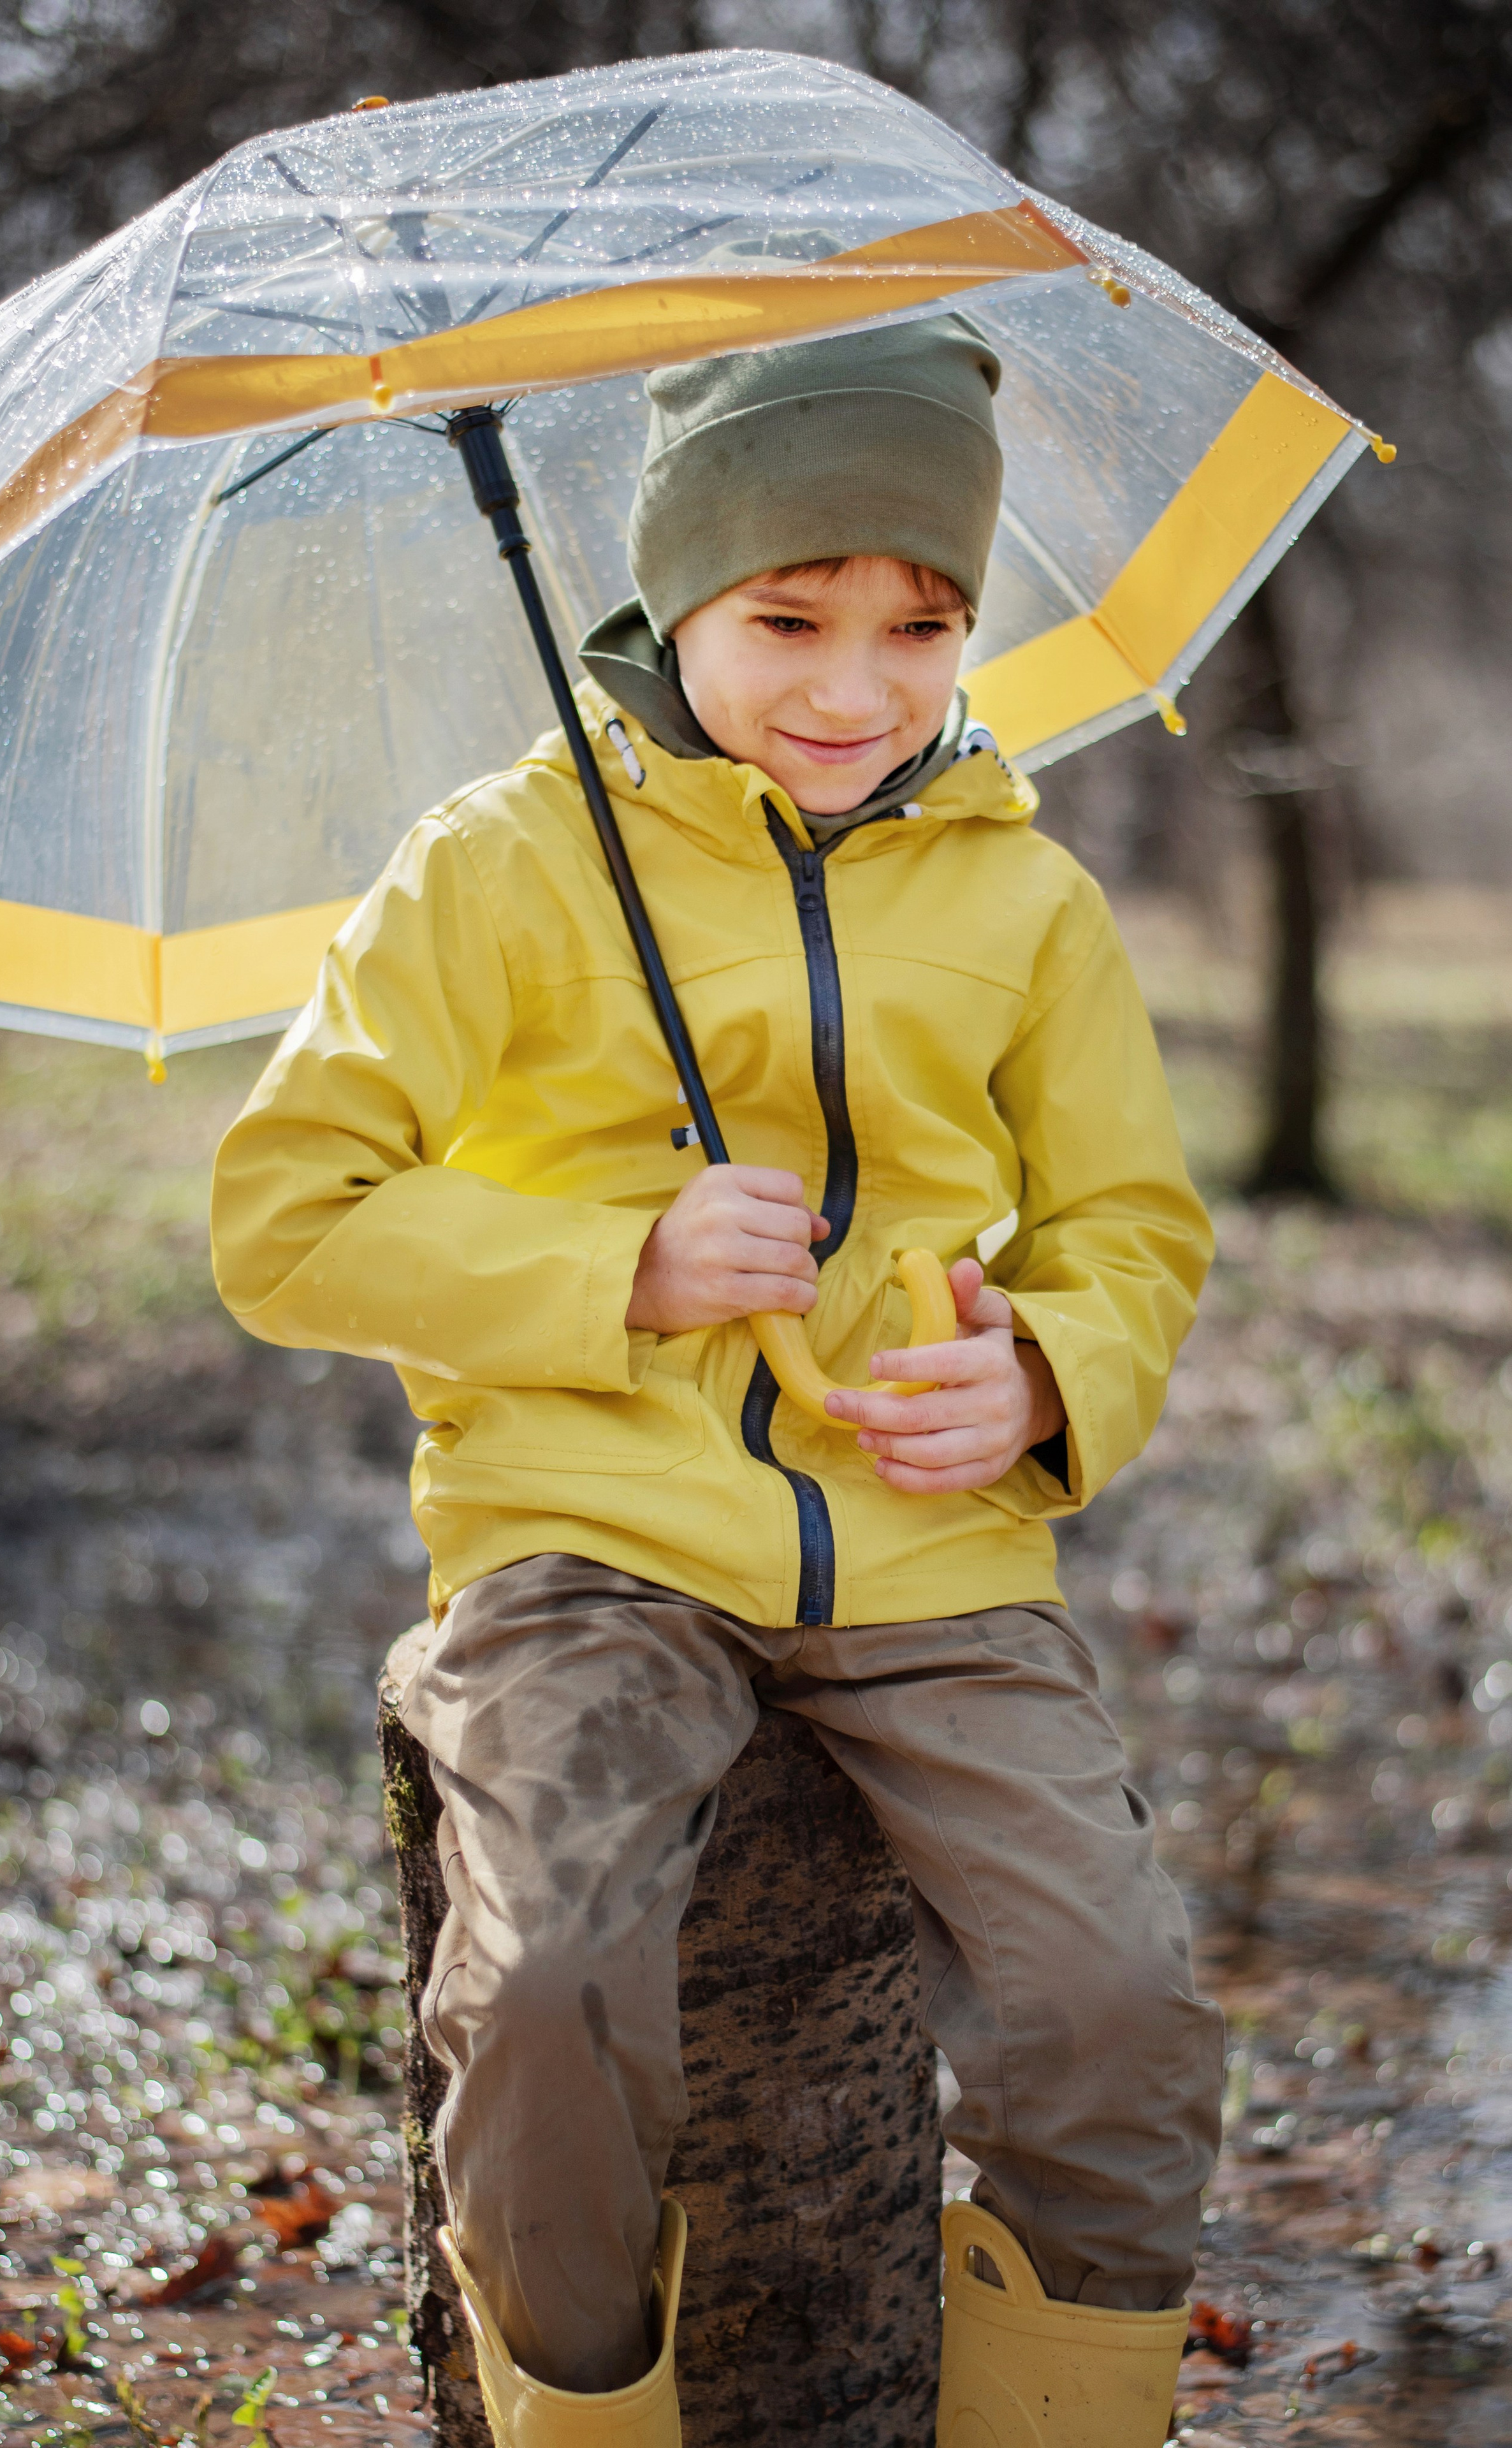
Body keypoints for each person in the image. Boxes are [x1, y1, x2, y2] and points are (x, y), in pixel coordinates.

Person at [210, 312, 1223, 2448]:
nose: (858, 688)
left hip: (933, 1552)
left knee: (1118, 2009)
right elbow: (287, 1217)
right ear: (680, 597)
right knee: (556, 1981)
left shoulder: (1027, 899)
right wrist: (618, 1268)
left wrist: (1043, 1376)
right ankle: (581, 2412)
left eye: (923, 623)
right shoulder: (499, 860)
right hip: (588, 1543)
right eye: (790, 616)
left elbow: (1137, 1232)